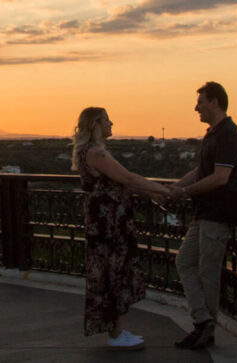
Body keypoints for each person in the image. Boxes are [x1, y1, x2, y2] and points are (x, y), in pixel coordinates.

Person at [72, 106, 171, 351]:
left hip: (106, 220)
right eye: (107, 120)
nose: (111, 124)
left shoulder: (91, 152)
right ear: (96, 123)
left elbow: (122, 183)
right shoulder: (96, 152)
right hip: (109, 223)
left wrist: (150, 193)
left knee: (110, 270)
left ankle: (116, 329)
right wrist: (165, 190)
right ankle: (116, 334)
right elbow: (127, 178)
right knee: (113, 270)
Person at [169, 81, 237, 349]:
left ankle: (205, 329)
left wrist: (186, 192)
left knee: (208, 272)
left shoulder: (228, 135)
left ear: (214, 102)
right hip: (204, 213)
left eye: (200, 102)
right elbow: (202, 172)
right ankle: (203, 321)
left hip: (218, 213)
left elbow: (220, 177)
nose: (196, 107)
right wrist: (176, 187)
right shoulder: (212, 134)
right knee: (185, 262)